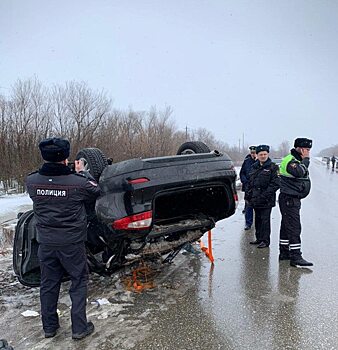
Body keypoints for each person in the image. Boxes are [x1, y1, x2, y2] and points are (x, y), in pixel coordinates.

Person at [25, 137, 101, 339]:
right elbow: (96, 190)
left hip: (46, 243)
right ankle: (79, 328)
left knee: (48, 284)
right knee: (78, 281)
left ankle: (49, 327)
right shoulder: (79, 183)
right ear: (66, 157)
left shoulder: (31, 181)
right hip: (72, 243)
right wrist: (82, 172)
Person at [278, 137, 313, 267]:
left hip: (290, 198)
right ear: (300, 148)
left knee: (286, 226)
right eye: (306, 149)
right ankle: (296, 256)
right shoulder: (291, 161)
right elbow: (299, 172)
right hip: (289, 199)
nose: (308, 152)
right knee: (294, 227)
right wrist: (306, 160)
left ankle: (284, 252)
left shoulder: (295, 159)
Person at [245, 145, 279, 248]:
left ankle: (265, 241)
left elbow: (276, 184)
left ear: (268, 154)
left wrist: (264, 196)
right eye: (261, 154)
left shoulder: (273, 167)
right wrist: (248, 196)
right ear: (257, 155)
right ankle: (259, 238)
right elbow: (250, 182)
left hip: (266, 200)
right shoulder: (254, 167)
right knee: (258, 220)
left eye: (265, 154)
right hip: (255, 199)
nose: (263, 156)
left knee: (265, 221)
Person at [239, 146, 257, 230]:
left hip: (257, 188)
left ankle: (258, 224)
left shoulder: (260, 161)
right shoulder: (247, 161)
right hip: (248, 187)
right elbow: (242, 173)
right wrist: (245, 181)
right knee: (248, 205)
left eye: (254, 153)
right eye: (252, 152)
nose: (253, 154)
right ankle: (248, 223)